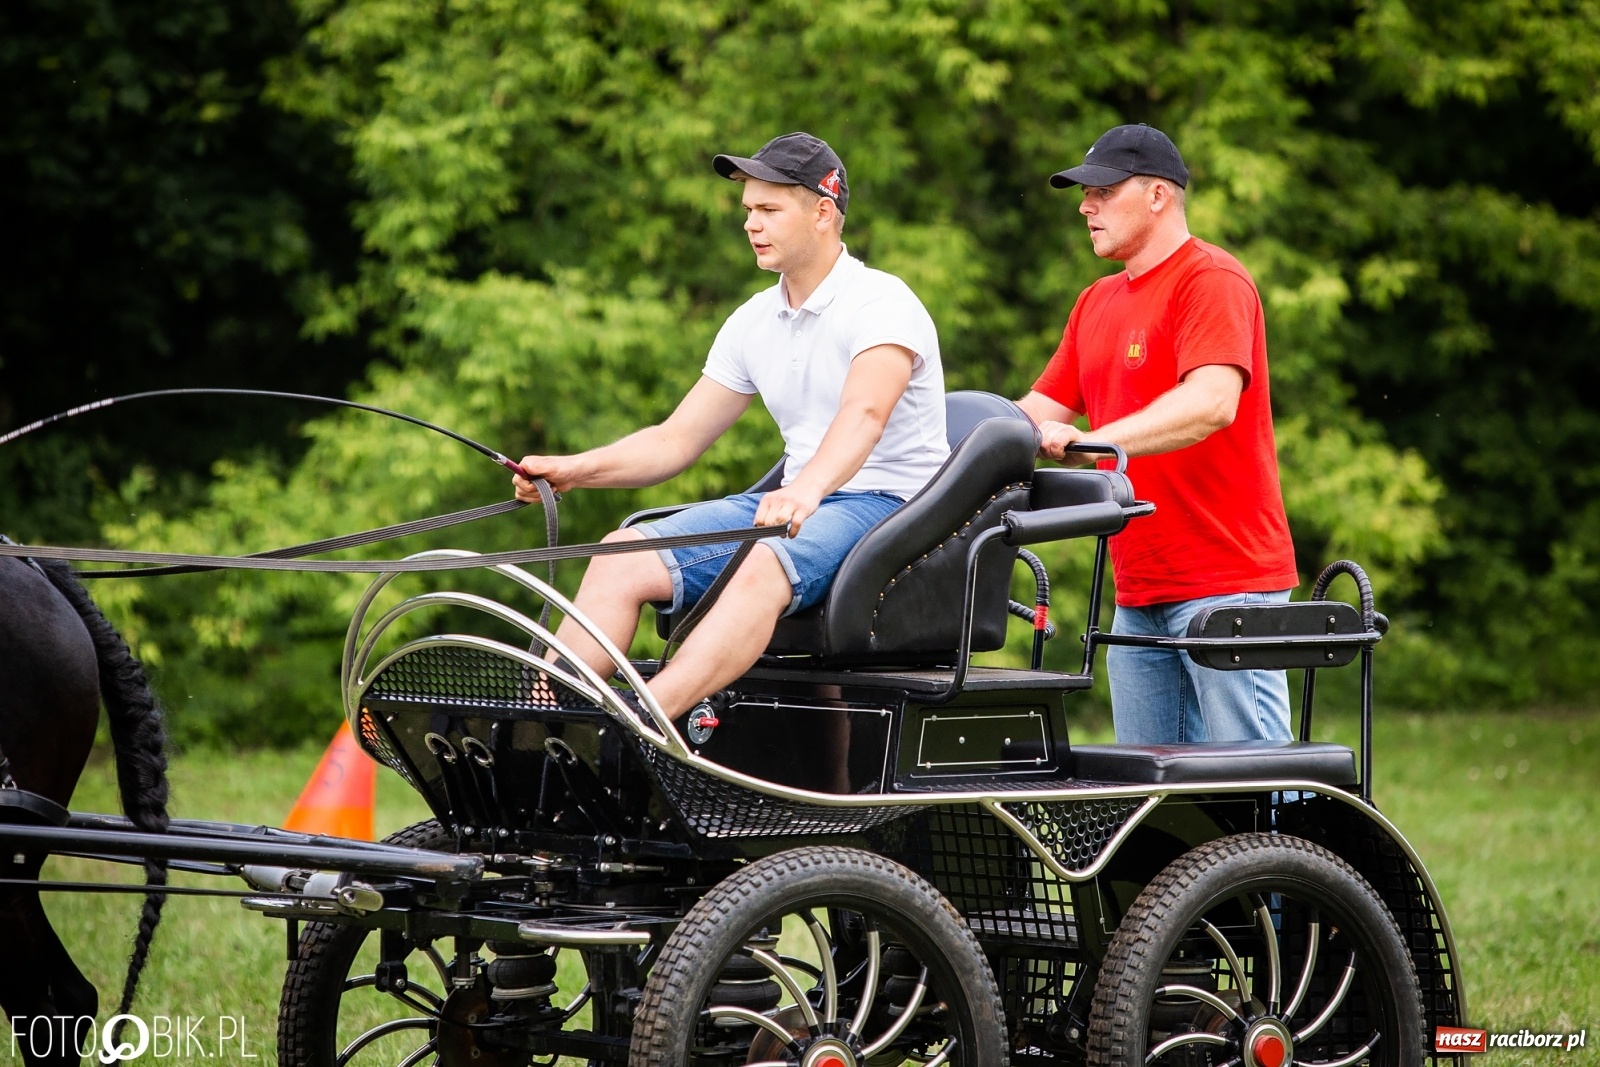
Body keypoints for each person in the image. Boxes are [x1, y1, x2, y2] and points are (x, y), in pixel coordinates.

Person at [512, 132, 946, 721]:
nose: (751, 224)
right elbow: (677, 439)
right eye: (748, 211)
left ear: (823, 212)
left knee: (765, 562)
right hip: (804, 501)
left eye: (769, 210)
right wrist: (575, 470)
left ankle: (640, 730)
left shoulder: (882, 304)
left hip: (891, 505)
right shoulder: (753, 320)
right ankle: (542, 725)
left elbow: (864, 416)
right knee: (619, 553)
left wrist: (804, 490)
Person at [1016, 124, 1298, 744]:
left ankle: (1289, 851)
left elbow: (1212, 403)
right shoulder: (1095, 301)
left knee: (1258, 787)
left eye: (1102, 191)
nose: (1086, 207)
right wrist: (945, 440)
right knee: (1159, 804)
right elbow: (1035, 411)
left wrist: (1095, 441)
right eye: (1083, 194)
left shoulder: (1212, 280)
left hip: (1227, 584)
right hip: (1139, 589)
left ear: (1158, 197)